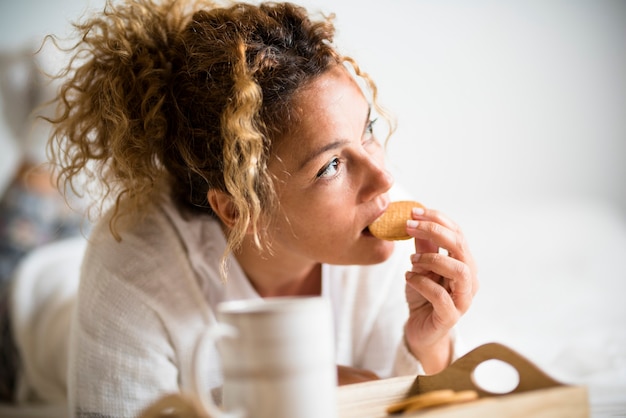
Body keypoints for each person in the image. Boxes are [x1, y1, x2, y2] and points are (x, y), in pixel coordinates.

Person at [36, 0, 478, 416]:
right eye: (331, 166)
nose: (383, 178)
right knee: (26, 239)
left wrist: (431, 346)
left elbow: (409, 398)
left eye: (368, 129)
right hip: (36, 309)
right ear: (235, 208)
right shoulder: (131, 267)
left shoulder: (383, 229)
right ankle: (34, 161)